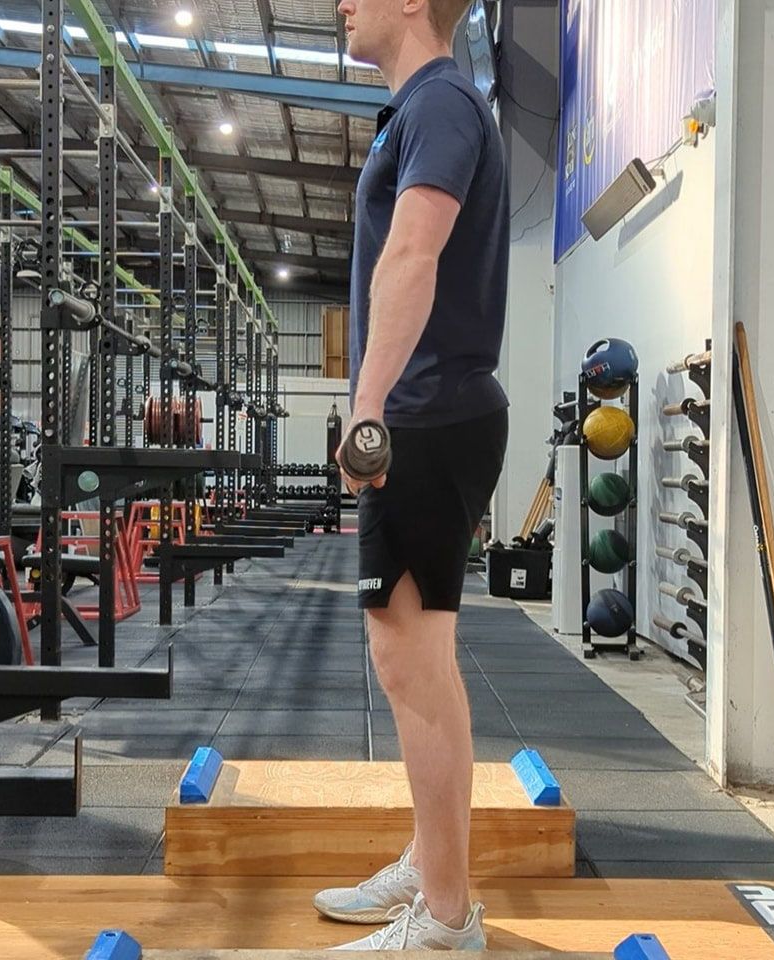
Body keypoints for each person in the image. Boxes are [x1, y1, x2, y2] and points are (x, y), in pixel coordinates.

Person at [317, 0, 511, 950]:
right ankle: (432, 871)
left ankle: (444, 917)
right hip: (432, 414)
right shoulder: (430, 106)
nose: (342, 3)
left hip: (427, 416)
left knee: (408, 662)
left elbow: (413, 254)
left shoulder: (441, 105)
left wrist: (368, 404)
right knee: (413, 660)